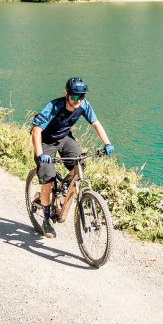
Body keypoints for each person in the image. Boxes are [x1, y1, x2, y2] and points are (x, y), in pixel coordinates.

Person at [31, 76, 113, 238]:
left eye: (81, 96)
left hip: (64, 138)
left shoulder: (84, 105)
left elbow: (95, 123)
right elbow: (36, 130)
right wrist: (40, 154)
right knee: (48, 180)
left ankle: (64, 187)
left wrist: (107, 143)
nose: (78, 100)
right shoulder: (53, 107)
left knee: (80, 164)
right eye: (75, 96)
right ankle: (46, 220)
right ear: (67, 94)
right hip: (45, 141)